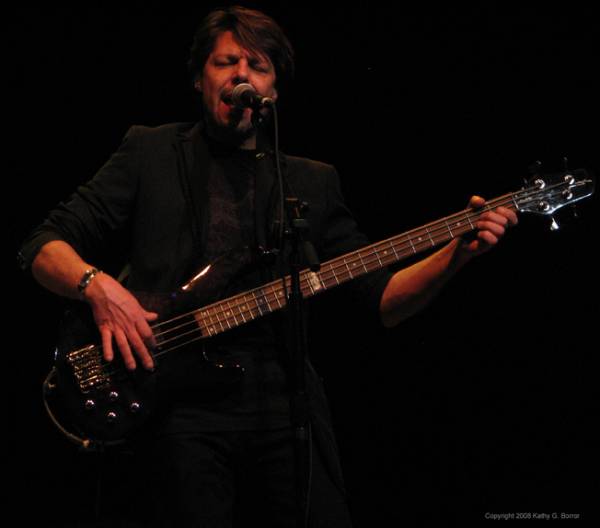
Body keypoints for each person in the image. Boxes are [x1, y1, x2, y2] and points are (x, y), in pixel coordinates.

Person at [18, 6, 518, 527]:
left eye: (257, 66)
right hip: (176, 410)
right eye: (226, 62)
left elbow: (384, 302)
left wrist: (455, 252)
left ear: (273, 91)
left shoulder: (313, 182)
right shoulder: (150, 151)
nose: (241, 76)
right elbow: (41, 245)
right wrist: (99, 288)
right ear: (199, 77)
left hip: (286, 411)